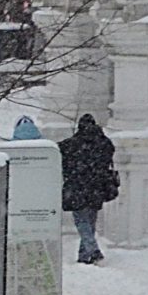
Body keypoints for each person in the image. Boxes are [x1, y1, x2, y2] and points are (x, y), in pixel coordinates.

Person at [59, 113, 117, 265]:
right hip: (97, 187)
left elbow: (59, 155)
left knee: (81, 221)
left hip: (77, 187)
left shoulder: (70, 144)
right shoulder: (104, 143)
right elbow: (108, 157)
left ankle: (94, 251)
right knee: (90, 221)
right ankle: (84, 256)